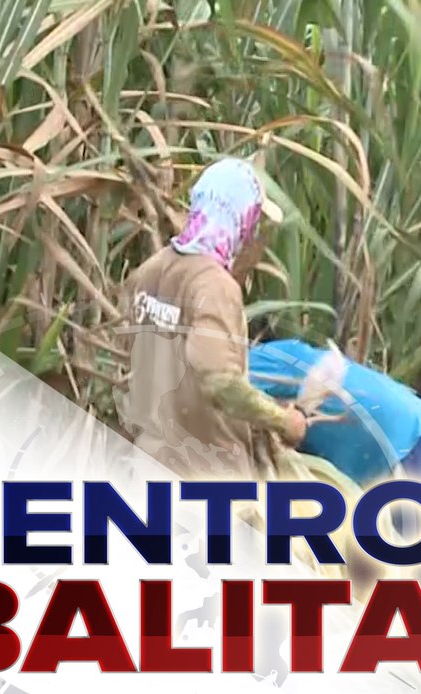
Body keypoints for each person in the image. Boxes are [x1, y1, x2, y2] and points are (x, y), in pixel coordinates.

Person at [246, 336, 421, 634]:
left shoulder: (258, 362)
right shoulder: (280, 355)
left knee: (420, 566)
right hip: (407, 441)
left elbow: (225, 395)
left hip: (410, 442)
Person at [117, 157, 312, 481]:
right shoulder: (215, 288)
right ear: (241, 218)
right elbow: (219, 383)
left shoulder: (147, 273)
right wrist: (283, 421)